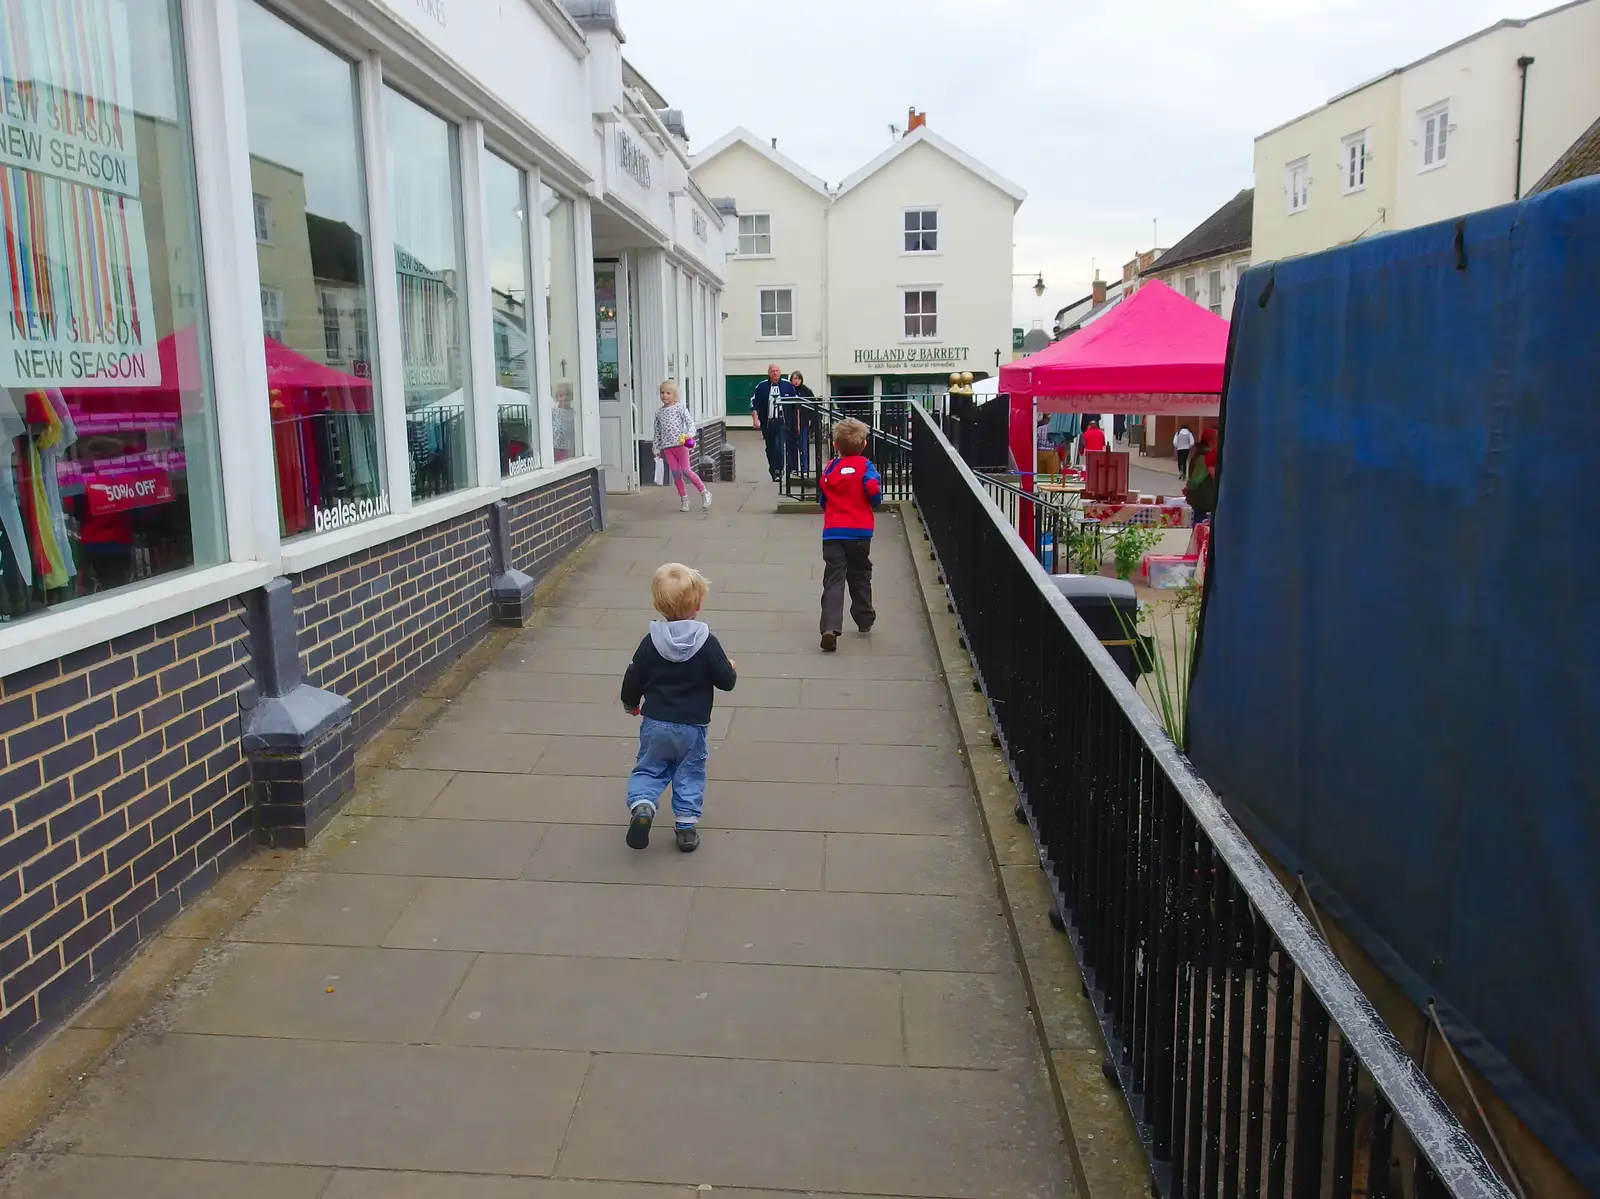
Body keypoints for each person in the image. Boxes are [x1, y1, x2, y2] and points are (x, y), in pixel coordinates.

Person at [620, 563, 738, 852]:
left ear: (657, 604)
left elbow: (634, 675)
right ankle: (685, 827)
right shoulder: (706, 642)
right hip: (691, 727)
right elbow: (725, 681)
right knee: (689, 772)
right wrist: (730, 668)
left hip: (656, 723)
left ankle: (644, 805)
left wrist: (630, 703)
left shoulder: (650, 642)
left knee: (649, 769)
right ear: (698, 604)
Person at [816, 417, 882, 652]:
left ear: (836, 446)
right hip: (860, 532)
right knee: (860, 573)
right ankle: (864, 617)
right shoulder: (866, 466)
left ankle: (830, 627)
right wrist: (873, 499)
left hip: (833, 532)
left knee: (833, 579)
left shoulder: (831, 467)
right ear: (864, 444)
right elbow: (874, 491)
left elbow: (822, 498)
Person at [654, 381, 710, 513]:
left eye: (668, 393)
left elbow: (690, 423)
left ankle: (704, 492)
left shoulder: (680, 408)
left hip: (681, 445)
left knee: (686, 470)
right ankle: (684, 500)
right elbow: (657, 432)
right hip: (668, 448)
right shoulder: (658, 413)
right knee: (676, 473)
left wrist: (689, 434)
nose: (664, 395)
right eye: (662, 392)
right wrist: (656, 448)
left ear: (675, 395)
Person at [749, 364, 797, 482]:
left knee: (779, 445)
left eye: (777, 371)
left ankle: (779, 470)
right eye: (773, 371)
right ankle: (773, 469)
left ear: (780, 372)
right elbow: (754, 404)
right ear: (769, 373)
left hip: (782, 421)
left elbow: (795, 404)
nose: (775, 373)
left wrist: (796, 422)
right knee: (770, 447)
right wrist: (756, 419)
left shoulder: (787, 386)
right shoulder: (762, 387)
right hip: (768, 422)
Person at [1184, 427, 1220, 521]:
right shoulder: (1204, 457)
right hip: (1203, 501)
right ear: (1210, 442)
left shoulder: (1201, 454)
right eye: (1217, 439)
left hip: (1202, 500)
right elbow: (1195, 481)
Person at [789, 371, 815, 476]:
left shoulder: (806, 391)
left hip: (803, 422)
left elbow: (812, 407)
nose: (796, 381)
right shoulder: (789, 390)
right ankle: (793, 468)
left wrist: (810, 420)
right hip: (791, 422)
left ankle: (805, 469)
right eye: (794, 379)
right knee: (792, 446)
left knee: (803, 446)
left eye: (798, 379)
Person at [1035, 413, 1060, 477]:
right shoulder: (1055, 430)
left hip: (1039, 453)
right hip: (1051, 453)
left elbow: (1036, 441)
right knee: (1051, 476)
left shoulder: (1039, 429)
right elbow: (1057, 443)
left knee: (1040, 476)